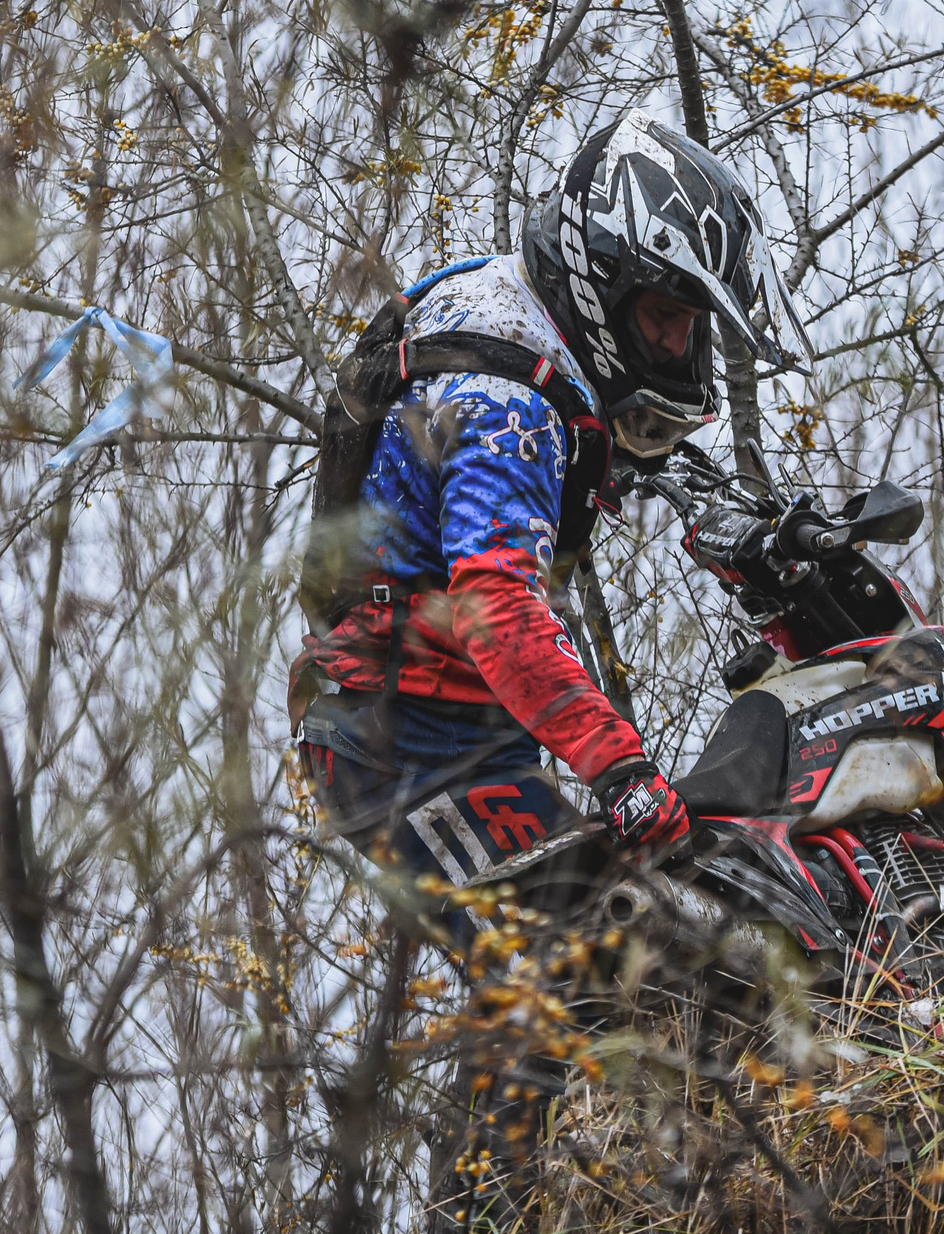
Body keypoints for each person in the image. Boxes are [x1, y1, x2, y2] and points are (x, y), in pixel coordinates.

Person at [292, 109, 804, 1226]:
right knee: (594, 971)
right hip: (404, 753)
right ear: (601, 275)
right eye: (666, 318)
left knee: (617, 976)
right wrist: (621, 765)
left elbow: (588, 452)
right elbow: (495, 599)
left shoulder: (504, 310)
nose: (677, 348)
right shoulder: (506, 402)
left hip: (451, 738)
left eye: (687, 328)